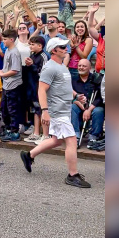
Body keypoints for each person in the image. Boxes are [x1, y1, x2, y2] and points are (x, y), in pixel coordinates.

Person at [20, 38, 91, 188]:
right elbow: (41, 90)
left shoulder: (62, 66)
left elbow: (64, 87)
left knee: (56, 140)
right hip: (56, 111)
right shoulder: (50, 68)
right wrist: (45, 111)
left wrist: (76, 96)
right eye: (62, 47)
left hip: (64, 110)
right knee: (71, 140)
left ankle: (29, 155)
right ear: (54, 50)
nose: (66, 48)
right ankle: (73, 175)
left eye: (65, 46)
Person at [70, 59, 105, 146]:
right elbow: (68, 94)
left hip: (93, 106)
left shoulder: (96, 79)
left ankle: (94, 136)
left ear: (89, 68)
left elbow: (100, 97)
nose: (81, 68)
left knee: (99, 111)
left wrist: (89, 110)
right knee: (72, 108)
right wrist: (77, 101)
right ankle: (76, 135)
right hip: (79, 105)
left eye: (84, 66)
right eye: (79, 66)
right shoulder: (73, 79)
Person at [0, 29, 25, 141]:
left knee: (12, 110)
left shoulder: (14, 52)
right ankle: (8, 129)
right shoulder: (8, 50)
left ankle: (15, 132)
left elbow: (15, 70)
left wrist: (2, 74)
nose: (3, 41)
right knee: (5, 109)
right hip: (6, 85)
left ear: (11, 39)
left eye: (5, 39)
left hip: (13, 85)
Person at [22, 35, 47, 143]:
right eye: (30, 44)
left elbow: (43, 74)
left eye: (33, 44)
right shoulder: (32, 55)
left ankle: (44, 134)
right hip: (31, 87)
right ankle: (36, 132)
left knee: (40, 109)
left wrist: (31, 66)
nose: (30, 46)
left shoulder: (44, 56)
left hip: (39, 87)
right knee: (34, 109)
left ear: (40, 45)